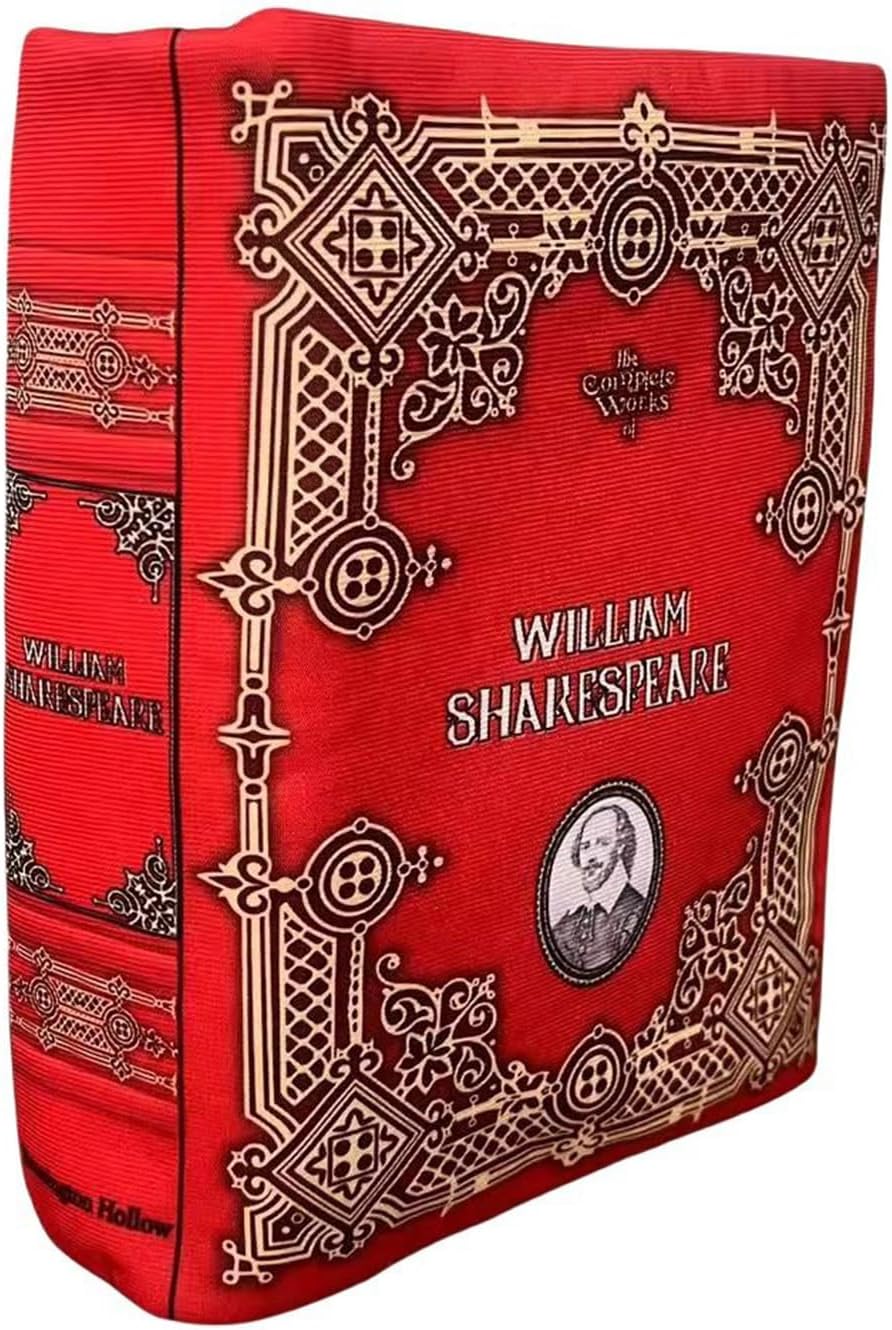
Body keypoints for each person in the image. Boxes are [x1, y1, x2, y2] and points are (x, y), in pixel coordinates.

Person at [552, 803, 646, 974]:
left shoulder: (636, 913)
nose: (591, 857)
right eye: (585, 846)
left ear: (621, 846)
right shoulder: (564, 925)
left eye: (602, 843)